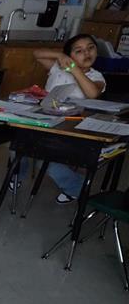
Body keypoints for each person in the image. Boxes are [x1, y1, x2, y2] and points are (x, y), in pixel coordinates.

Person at [17, 34, 106, 203]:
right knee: (18, 145)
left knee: (46, 160)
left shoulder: (96, 77)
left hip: (71, 128)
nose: (86, 53)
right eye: (79, 51)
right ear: (69, 55)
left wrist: (75, 69)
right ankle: (16, 176)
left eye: (90, 48)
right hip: (45, 121)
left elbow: (93, 94)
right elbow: (36, 53)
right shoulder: (57, 68)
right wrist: (59, 56)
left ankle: (76, 187)